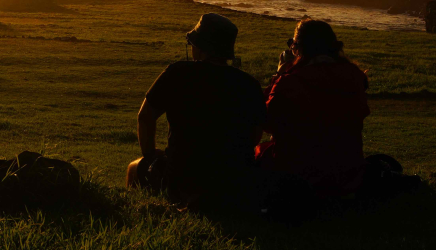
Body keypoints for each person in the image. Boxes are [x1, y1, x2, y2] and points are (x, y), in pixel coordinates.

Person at [127, 13, 265, 211]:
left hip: (182, 180)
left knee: (134, 168)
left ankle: (137, 214)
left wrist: (149, 155)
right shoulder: (249, 84)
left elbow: (145, 116)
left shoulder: (177, 73)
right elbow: (255, 136)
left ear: (200, 48)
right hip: (235, 181)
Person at [257, 19, 369, 198]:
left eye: (293, 45)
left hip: (298, 175)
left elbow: (266, 120)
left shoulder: (291, 82)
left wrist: (280, 74)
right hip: (348, 175)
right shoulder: (355, 76)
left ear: (299, 49)